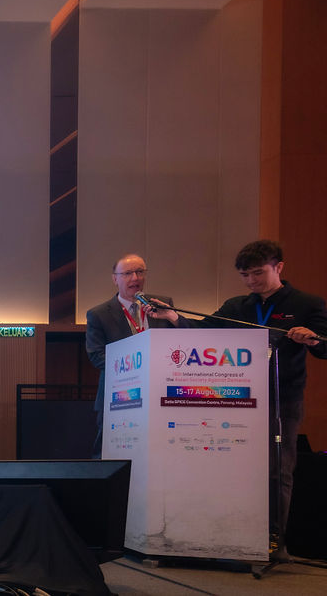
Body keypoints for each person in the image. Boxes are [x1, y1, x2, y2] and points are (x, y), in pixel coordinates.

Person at [148, 240, 326, 560]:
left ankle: (275, 543)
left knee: (278, 471)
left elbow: (324, 347)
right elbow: (205, 332)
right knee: (234, 469)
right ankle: (234, 536)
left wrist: (312, 340)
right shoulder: (236, 306)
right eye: (245, 275)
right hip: (237, 399)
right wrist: (173, 317)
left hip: (283, 399)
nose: (251, 281)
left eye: (258, 273)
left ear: (278, 267)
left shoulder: (307, 303)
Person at [85, 254, 177, 458]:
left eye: (140, 272)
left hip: (158, 395)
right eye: (127, 273)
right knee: (109, 456)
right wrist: (137, 371)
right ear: (115, 279)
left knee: (156, 453)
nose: (135, 278)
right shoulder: (99, 314)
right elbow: (97, 356)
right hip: (119, 397)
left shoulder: (162, 305)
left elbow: (176, 345)